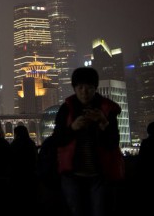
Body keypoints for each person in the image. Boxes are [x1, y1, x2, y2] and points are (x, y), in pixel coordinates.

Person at [53, 67, 123, 216]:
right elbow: (57, 139)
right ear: (74, 88)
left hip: (99, 174)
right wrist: (73, 128)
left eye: (89, 88)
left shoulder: (106, 109)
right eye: (80, 87)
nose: (84, 92)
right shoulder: (66, 110)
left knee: (100, 211)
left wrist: (103, 122)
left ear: (95, 88)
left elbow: (113, 142)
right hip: (72, 174)